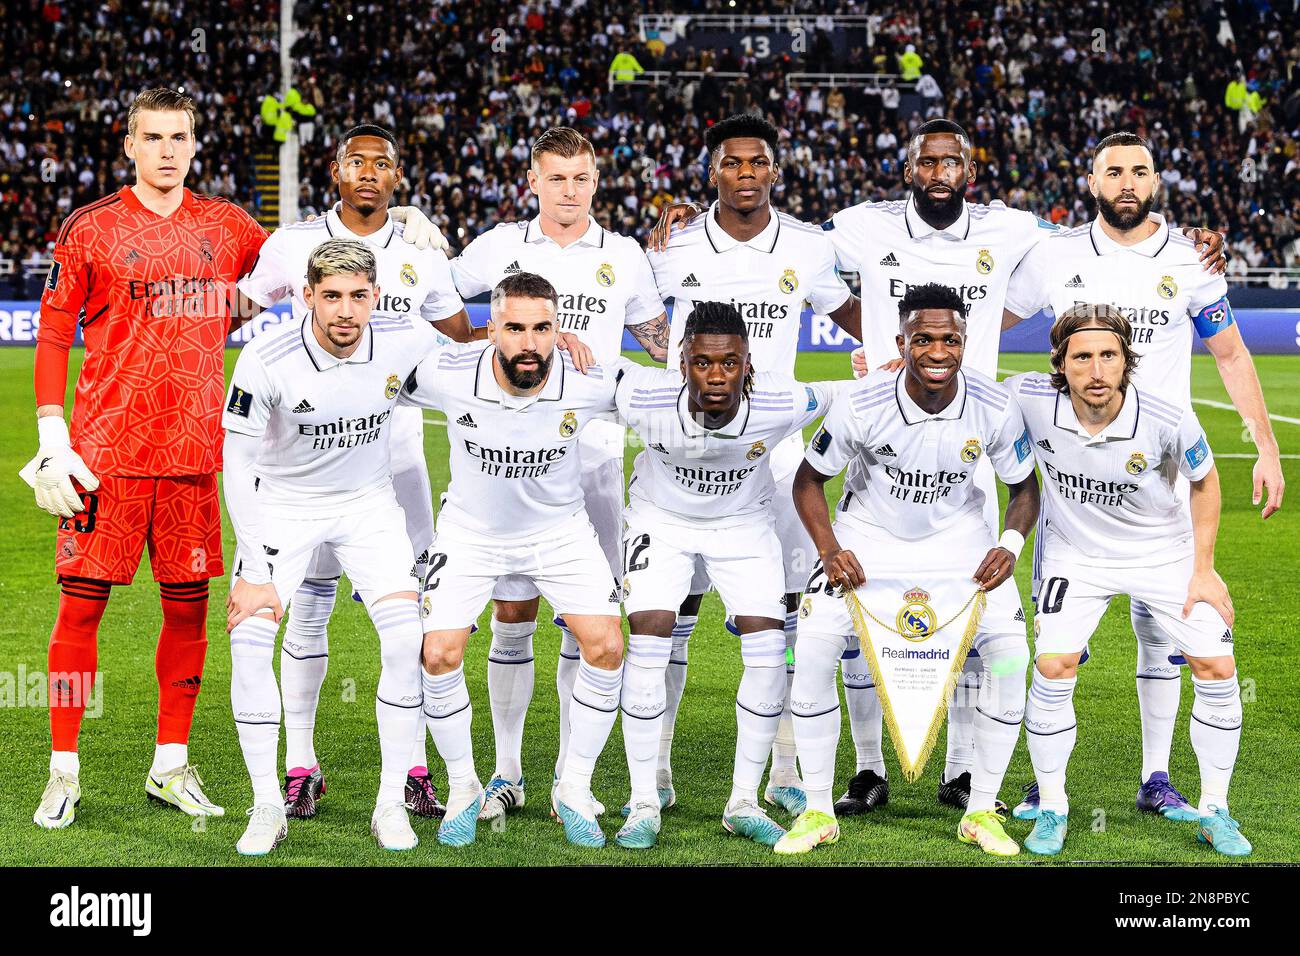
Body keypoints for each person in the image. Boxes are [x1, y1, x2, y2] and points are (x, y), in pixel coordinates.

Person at [1002, 131, 1282, 822]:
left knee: (1165, 638)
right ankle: (1048, 785)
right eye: (1113, 171)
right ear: (1091, 180)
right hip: (1075, 489)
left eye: (1139, 170)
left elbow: (1232, 355)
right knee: (1060, 649)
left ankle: (1157, 777)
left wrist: (1266, 448)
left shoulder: (1190, 256)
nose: (1127, 181)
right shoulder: (1056, 253)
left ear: (1156, 180)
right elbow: (987, 324)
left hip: (1165, 481)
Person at [27, 88, 267, 829]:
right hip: (105, 455)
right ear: (128, 144)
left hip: (197, 452)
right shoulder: (89, 228)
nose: (168, 150)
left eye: (180, 137)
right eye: (153, 137)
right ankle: (62, 770)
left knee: (188, 613)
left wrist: (399, 226)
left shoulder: (229, 226)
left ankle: (170, 764)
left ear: (196, 145)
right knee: (80, 612)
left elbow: (306, 259)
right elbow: (52, 333)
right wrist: (50, 435)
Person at [237, 123, 476, 821]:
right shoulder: (291, 245)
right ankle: (299, 764)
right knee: (306, 616)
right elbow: (236, 312)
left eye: (384, 164)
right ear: (334, 171)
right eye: (356, 162)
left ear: (399, 178)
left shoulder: (422, 254)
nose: (369, 173)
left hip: (395, 470)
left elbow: (464, 344)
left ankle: (412, 769)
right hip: (307, 467)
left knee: (411, 623)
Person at [643, 113, 864, 819]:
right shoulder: (672, 244)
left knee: (791, 617)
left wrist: (899, 346)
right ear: (713, 173)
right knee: (672, 612)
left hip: (777, 452)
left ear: (775, 170)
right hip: (688, 449)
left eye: (757, 163)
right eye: (731, 163)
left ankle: (784, 770)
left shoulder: (807, 245)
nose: (745, 174)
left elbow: (858, 314)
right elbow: (648, 333)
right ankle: (658, 770)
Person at [445, 126, 667, 822]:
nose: (569, 192)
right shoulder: (498, 246)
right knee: (512, 613)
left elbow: (659, 341)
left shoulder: (627, 256)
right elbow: (439, 311)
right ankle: (506, 770)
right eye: (556, 178)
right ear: (533, 181)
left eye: (581, 178)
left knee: (589, 624)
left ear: (595, 181)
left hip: (594, 459)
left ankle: (574, 777)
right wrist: (491, 337)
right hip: (506, 457)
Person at [784, 283, 1039, 856]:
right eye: (923, 339)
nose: (938, 351)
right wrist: (828, 551)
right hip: (867, 540)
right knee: (816, 646)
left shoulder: (995, 406)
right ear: (901, 341)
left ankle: (981, 811)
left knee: (1009, 654)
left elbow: (1024, 488)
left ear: (965, 342)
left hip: (961, 544)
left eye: (950, 339)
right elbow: (808, 481)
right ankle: (818, 809)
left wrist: (1010, 544)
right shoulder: (862, 402)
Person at [222, 238, 455, 855]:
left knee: (408, 637)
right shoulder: (265, 359)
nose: (346, 310)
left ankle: (390, 803)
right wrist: (254, 568)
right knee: (249, 637)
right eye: (331, 297)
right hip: (282, 506)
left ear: (376, 296)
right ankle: (267, 803)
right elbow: (237, 465)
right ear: (307, 297)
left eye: (358, 296)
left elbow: (477, 373)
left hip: (369, 506)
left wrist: (547, 345)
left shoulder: (406, 341)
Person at [1007, 305, 1249, 857]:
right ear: (1060, 364)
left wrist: (1204, 569)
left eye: (1109, 356)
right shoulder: (1028, 398)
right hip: (1076, 556)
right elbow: (960, 390)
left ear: (1126, 360)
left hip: (1164, 554)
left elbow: (1205, 481)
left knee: (1217, 665)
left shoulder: (1167, 415)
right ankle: (1052, 805)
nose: (1096, 370)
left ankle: (1216, 809)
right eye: (1082, 357)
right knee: (1052, 664)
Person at [612, 301, 848, 849]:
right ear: (682, 363)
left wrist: (885, 371)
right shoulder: (641, 397)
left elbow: (838, 393)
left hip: (743, 526)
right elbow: (581, 378)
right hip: (660, 522)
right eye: (701, 363)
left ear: (748, 365)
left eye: (729, 364)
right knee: (648, 642)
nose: (715, 377)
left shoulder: (780, 401)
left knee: (769, 652)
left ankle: (742, 800)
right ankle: (645, 800)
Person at [401, 272, 624, 850]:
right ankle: (463, 788)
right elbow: (370, 376)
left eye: (543, 328)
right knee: (439, 653)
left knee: (605, 645)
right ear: (491, 329)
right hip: (470, 533)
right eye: (516, 328)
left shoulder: (589, 379)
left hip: (561, 532)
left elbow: (671, 395)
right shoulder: (449, 371)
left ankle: (573, 788)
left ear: (559, 330)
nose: (529, 342)